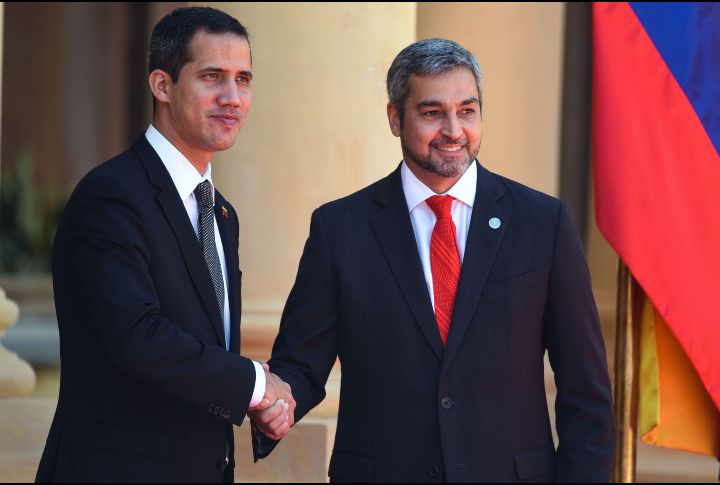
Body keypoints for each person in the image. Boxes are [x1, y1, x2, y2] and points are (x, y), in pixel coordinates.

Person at [251, 38, 615, 482]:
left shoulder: (543, 223)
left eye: (467, 110)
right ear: (395, 118)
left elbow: (585, 390)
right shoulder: (339, 229)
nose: (454, 130)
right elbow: (301, 363)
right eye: (432, 112)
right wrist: (275, 402)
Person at [36, 7, 293, 483]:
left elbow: (205, 347)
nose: (232, 97)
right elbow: (137, 335)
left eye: (243, 79)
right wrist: (255, 385)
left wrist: (253, 400)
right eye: (212, 77)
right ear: (162, 85)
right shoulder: (111, 195)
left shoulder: (222, 213)